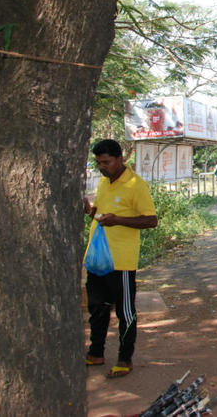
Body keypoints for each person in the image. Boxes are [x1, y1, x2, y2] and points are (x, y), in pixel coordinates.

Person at [84, 139, 158, 379]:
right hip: (97, 260)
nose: (102, 167)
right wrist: (89, 211)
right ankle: (96, 353)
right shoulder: (105, 183)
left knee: (125, 312)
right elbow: (100, 213)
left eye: (106, 162)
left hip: (121, 262)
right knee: (97, 308)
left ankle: (125, 358)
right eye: (99, 163)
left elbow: (150, 220)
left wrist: (119, 220)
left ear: (120, 159)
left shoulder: (136, 185)